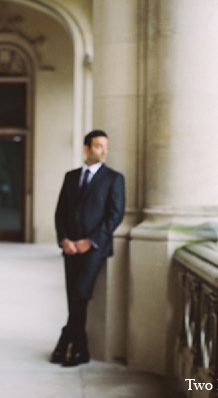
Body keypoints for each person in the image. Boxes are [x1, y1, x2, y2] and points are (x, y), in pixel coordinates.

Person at [51, 129, 125, 367]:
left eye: (106, 146)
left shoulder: (114, 178)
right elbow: (60, 212)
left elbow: (114, 216)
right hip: (70, 249)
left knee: (81, 295)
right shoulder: (71, 177)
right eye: (99, 146)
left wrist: (88, 241)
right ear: (86, 148)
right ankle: (79, 351)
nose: (104, 151)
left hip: (94, 250)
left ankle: (65, 343)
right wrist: (65, 240)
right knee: (73, 299)